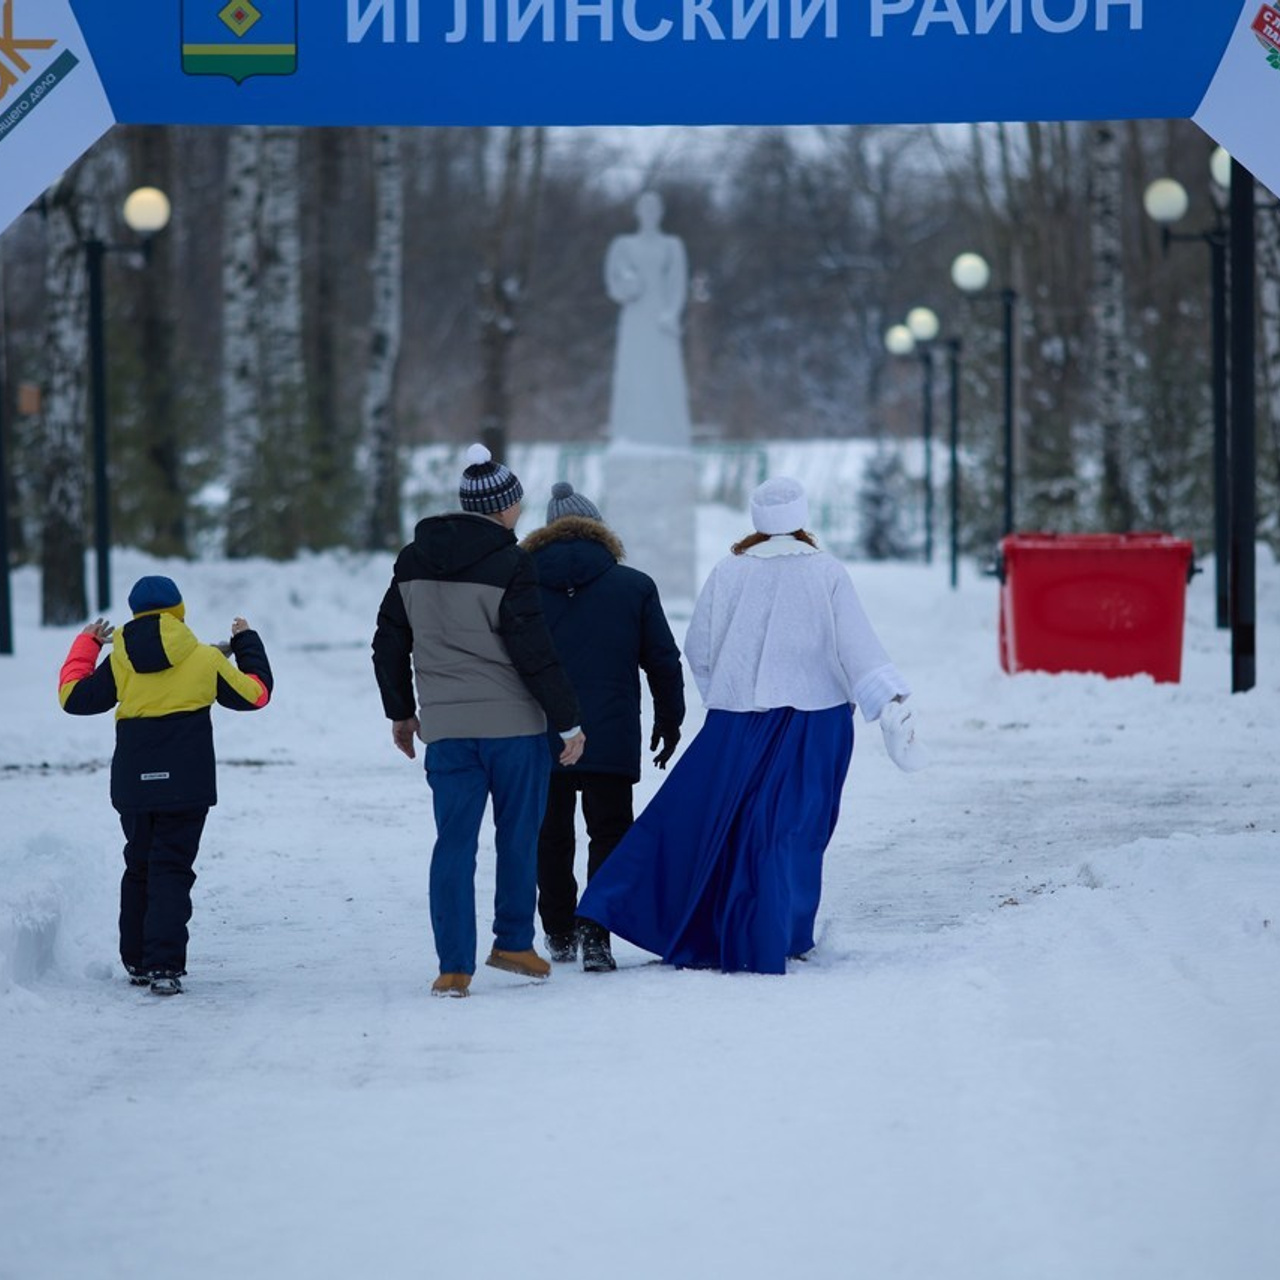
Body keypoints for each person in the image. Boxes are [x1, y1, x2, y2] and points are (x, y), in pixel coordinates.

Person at [578, 476, 926, 976]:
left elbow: (698, 647)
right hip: (816, 722)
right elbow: (858, 647)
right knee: (791, 831)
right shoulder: (826, 572)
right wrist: (887, 703)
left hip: (738, 723)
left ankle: (647, 911)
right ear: (801, 517)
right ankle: (778, 932)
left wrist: (725, 691)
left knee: (712, 822)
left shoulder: (730, 571)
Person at [372, 444, 586, 999]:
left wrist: (401, 711)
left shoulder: (411, 560)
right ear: (504, 507)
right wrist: (567, 722)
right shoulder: (512, 563)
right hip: (513, 726)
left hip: (445, 730)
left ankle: (452, 968)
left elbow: (388, 642)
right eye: (516, 503)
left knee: (453, 844)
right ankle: (513, 943)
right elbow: (533, 650)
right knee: (517, 837)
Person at [56, 576, 274, 996]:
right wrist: (246, 643)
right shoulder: (202, 659)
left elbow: (73, 698)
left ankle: (137, 960)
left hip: (133, 786)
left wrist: (86, 644)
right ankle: (163, 965)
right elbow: (256, 694)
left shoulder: (121, 658)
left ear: (135, 613)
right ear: (179, 610)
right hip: (186, 786)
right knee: (171, 869)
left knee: (139, 866)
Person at [521, 481, 685, 973]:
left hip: (542, 732)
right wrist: (668, 719)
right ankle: (597, 931)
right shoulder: (633, 585)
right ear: (599, 531)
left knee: (548, 835)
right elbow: (662, 660)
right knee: (610, 831)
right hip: (611, 733)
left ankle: (557, 930)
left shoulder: (521, 584)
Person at [604, 190, 693, 448]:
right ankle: (629, 435)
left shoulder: (672, 245)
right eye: (645, 208)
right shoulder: (623, 245)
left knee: (663, 375)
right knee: (634, 373)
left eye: (655, 208)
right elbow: (614, 281)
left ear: (661, 212)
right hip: (635, 318)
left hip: (660, 318)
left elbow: (678, 284)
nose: (650, 213)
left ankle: (670, 435)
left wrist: (671, 314)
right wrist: (627, 284)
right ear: (637, 211)